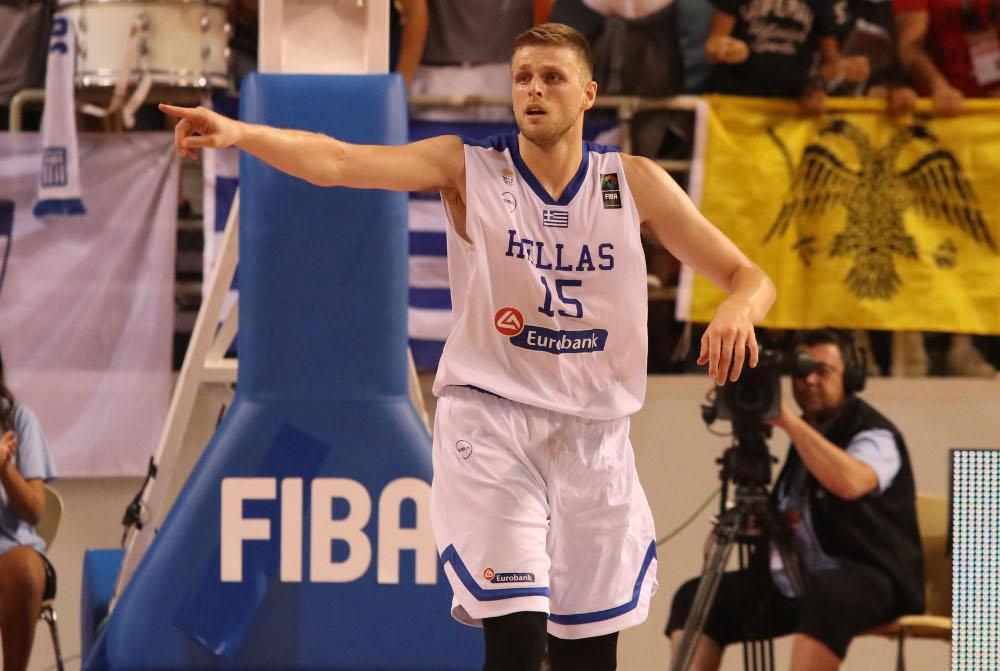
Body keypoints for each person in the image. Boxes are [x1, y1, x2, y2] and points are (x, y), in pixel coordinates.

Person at [160, 22, 776, 671]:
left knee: (590, 656)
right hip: (492, 426)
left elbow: (751, 276)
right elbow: (339, 161)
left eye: (552, 77)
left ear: (589, 94)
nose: (534, 90)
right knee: (516, 641)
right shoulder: (468, 167)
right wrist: (241, 133)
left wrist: (737, 308)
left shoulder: (632, 182)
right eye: (522, 77)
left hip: (595, 438)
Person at [666, 328, 924, 671]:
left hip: (869, 577)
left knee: (826, 598)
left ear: (851, 375)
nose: (810, 381)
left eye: (823, 371)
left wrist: (787, 421)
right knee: (695, 598)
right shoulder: (809, 430)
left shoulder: (875, 433)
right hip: (799, 579)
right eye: (802, 372)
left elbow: (850, 483)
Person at [702, 0, 870, 113]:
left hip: (788, 108)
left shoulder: (823, 3)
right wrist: (726, 48)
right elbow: (713, 44)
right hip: (734, 102)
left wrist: (839, 73)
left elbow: (829, 63)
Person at [0, 348, 58, 671]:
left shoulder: (18, 420)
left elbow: (35, 511)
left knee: (23, 570)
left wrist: (4, 470)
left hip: (9, 554)